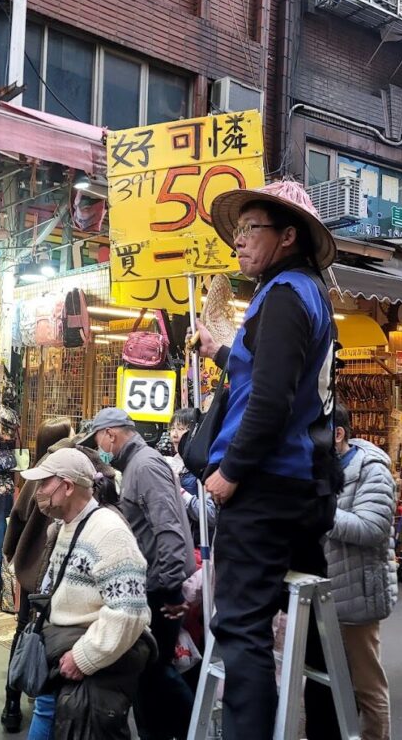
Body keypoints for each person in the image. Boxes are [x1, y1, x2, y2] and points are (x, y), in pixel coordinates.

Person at [192, 180, 340, 739]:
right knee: (313, 633)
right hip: (301, 487)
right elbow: (278, 380)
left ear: (287, 236)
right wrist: (224, 352)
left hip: (268, 488)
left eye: (249, 230)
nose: (238, 243)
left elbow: (272, 400)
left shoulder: (282, 297)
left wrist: (230, 472)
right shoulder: (303, 292)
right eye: (237, 232)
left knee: (241, 629)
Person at [20, 448, 153, 740]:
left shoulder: (109, 533)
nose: (38, 492)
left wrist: (84, 657)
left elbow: (129, 610)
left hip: (86, 662)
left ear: (67, 486)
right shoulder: (67, 527)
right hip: (61, 653)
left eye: (45, 483)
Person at [82, 407, 195, 740]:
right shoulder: (133, 466)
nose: (99, 446)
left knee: (156, 671)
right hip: (152, 584)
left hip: (159, 589)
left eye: (99, 439)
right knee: (149, 675)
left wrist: (172, 588)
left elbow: (169, 527)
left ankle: (195, 728)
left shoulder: (144, 465)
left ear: (111, 434)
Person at [326, 404, 396, 740]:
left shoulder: (372, 469)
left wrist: (319, 515)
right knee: (328, 678)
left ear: (338, 435)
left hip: (358, 591)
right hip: (324, 590)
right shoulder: (321, 465)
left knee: (366, 682)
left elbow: (372, 528)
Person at [1, 417, 74, 732]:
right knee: (43, 635)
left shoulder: (37, 473)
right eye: (70, 432)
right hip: (47, 572)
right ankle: (38, 700)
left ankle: (11, 704)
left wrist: (11, 554)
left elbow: (16, 519)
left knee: (24, 634)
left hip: (30, 570)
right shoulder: (56, 473)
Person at [166, 407, 218, 550]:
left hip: (199, 547)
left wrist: (180, 491)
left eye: (181, 429)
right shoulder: (169, 464)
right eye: (172, 429)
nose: (175, 435)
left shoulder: (204, 467)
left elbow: (211, 514)